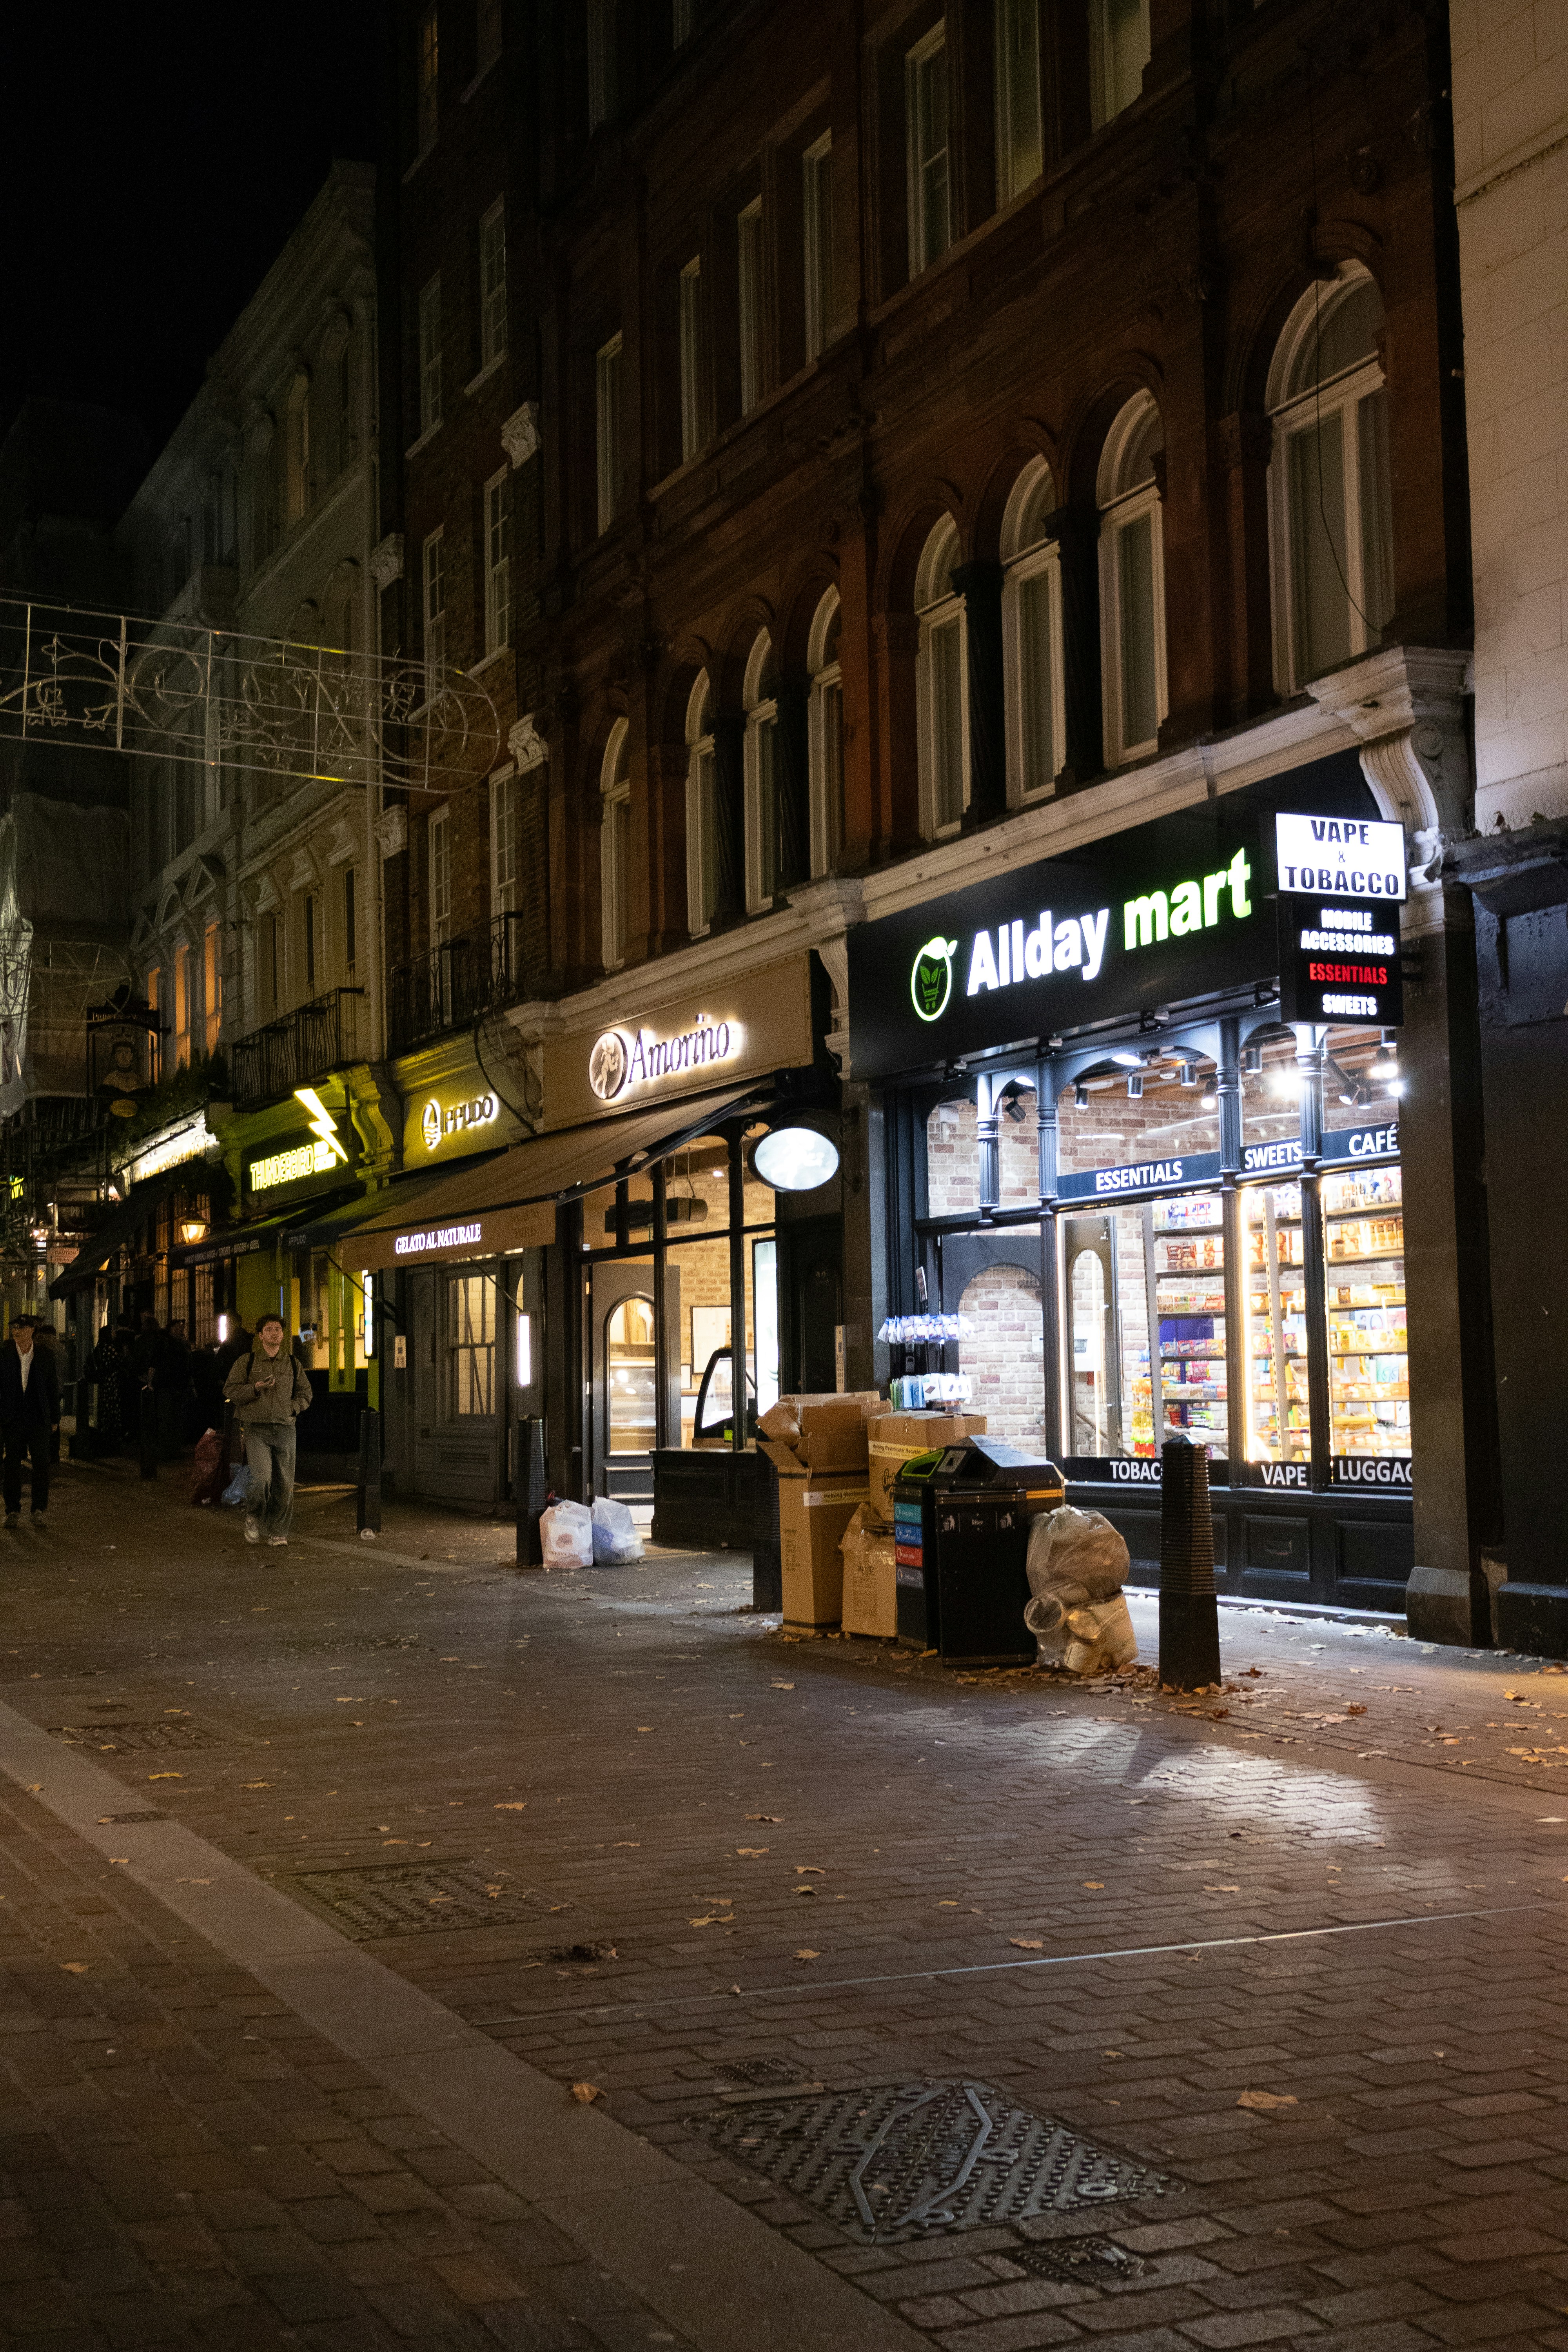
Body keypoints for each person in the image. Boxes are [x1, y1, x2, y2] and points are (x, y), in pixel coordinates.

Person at [223, 1313, 311, 1546]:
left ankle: (278, 1530)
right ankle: (254, 1515)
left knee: (284, 1482)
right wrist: (255, 1388)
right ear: (260, 1335)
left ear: (283, 1335)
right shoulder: (247, 1361)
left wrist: (293, 1409)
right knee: (261, 1478)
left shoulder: (292, 1363)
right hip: (256, 1429)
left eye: (279, 1330)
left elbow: (306, 1392)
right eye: (270, 1329)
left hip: (285, 1428)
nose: (275, 1333)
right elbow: (230, 1390)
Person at [0, 1315, 61, 1526]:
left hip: (38, 1419)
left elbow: (53, 1388)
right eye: (14, 1328)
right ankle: (13, 1510)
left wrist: (55, 1418)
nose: (17, 1332)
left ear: (33, 1330)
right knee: (12, 1465)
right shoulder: (5, 1353)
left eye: (22, 1328)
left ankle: (38, 1509)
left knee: (41, 1464)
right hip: (13, 1418)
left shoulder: (44, 1355)